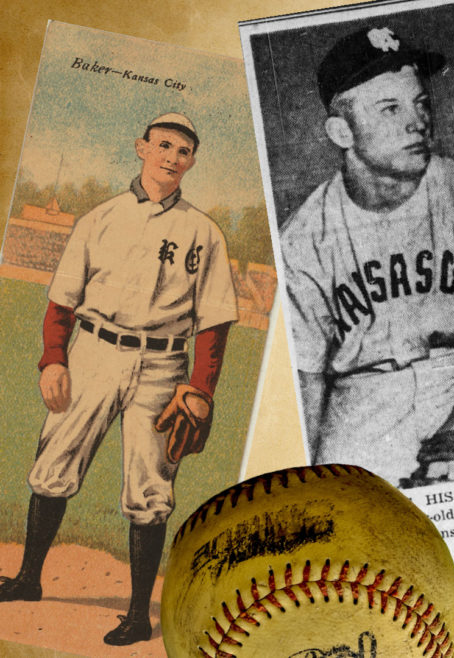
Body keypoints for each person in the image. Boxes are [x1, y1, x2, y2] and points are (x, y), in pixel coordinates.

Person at [0, 113, 237, 645]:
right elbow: (62, 300)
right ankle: (27, 578)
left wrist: (201, 388)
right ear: (141, 148)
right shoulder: (99, 218)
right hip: (95, 353)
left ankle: (136, 614)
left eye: (183, 150)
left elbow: (216, 320)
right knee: (54, 463)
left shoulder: (204, 232)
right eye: (163, 145)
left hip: (162, 366)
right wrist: (54, 359)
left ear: (192, 161)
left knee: (150, 486)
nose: (172, 156)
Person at [281, 26, 454, 487]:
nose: (417, 122)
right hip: (362, 403)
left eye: (420, 103)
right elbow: (304, 384)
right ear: (342, 131)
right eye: (390, 108)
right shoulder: (302, 239)